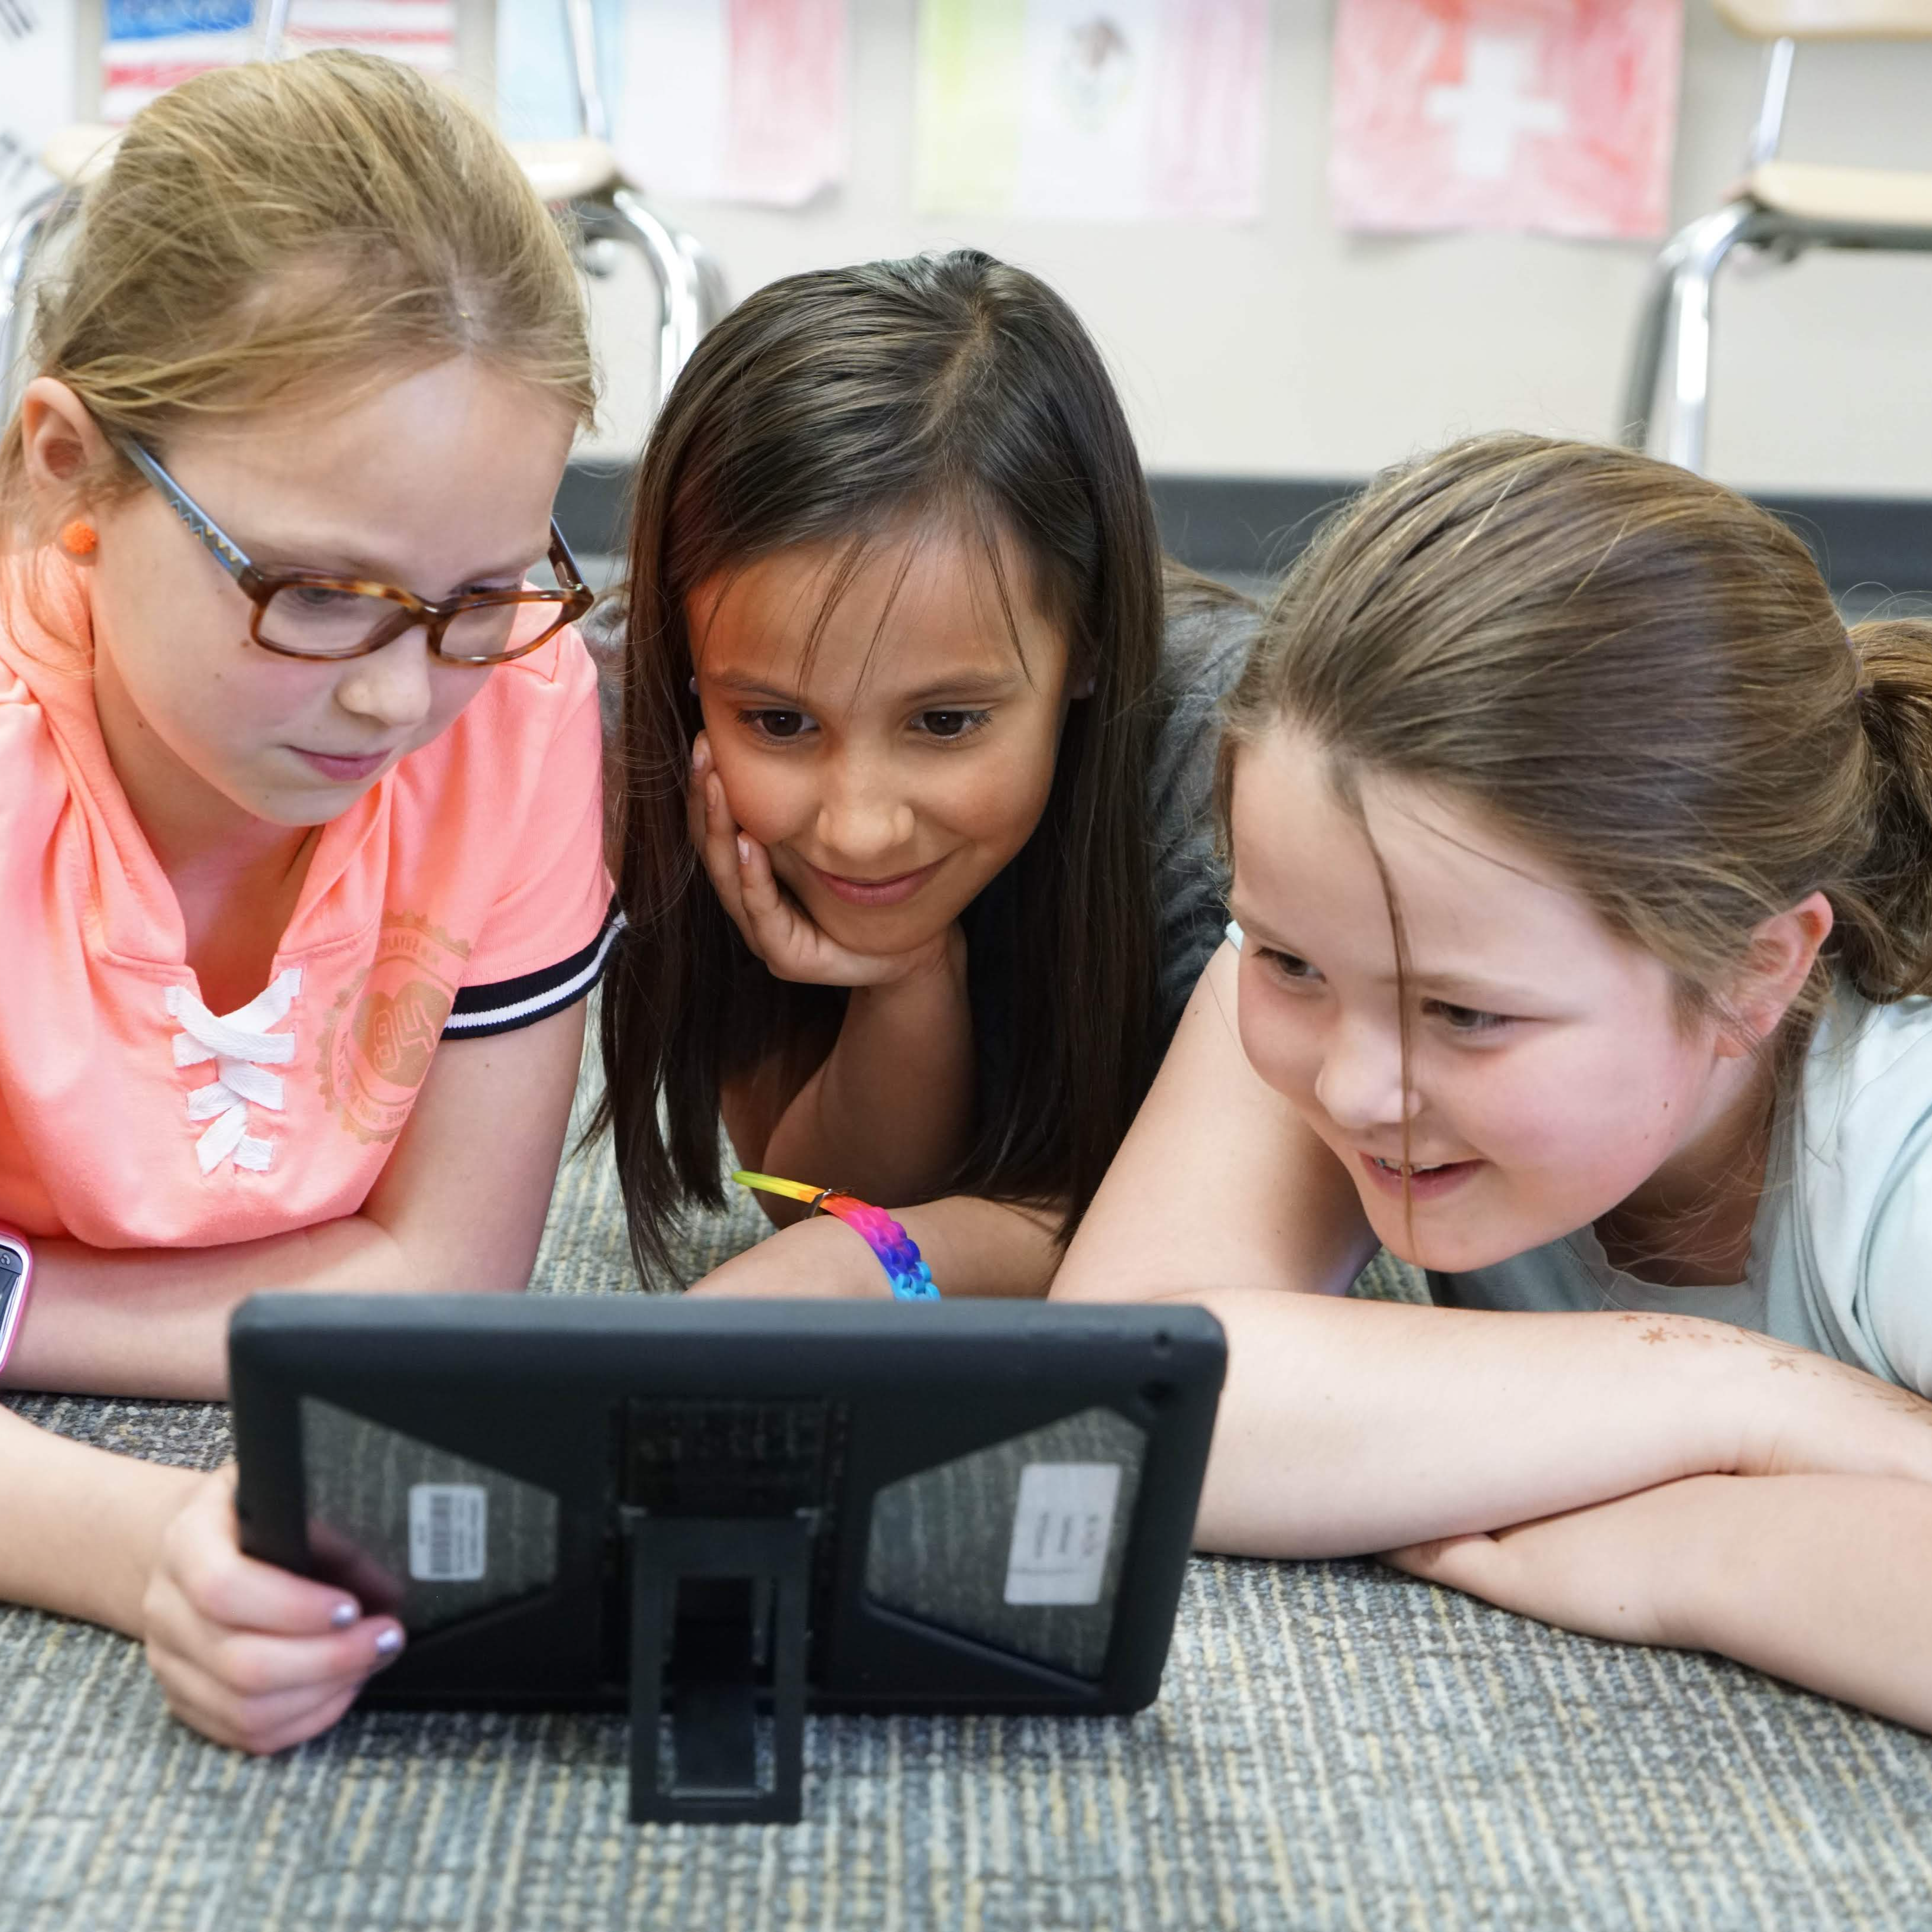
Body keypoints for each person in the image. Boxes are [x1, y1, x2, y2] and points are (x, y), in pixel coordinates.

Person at [1054, 432, 1932, 1730]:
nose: (1353, 1088)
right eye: (1284, 960)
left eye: (1466, 1017)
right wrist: (1729, 1394)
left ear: (1753, 976)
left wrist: (1692, 1555)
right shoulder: (1370, 936)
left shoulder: (1898, 1141)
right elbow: (1115, 1400)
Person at [0, 53, 612, 1752]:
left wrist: (13, 1303)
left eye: (482, 594)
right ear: (71, 471)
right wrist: (140, 1545)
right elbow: (391, 1299)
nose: (401, 700)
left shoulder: (527, 712)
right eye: (321, 595)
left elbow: (450, 1286)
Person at [597, 250, 1255, 1299]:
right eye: (777, 720)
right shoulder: (643, 720)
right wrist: (906, 978)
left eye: (945, 721)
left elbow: (1201, 1249)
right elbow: (802, 1187)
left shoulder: (1224, 766)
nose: (860, 829)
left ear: (1086, 641)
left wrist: (866, 1265)